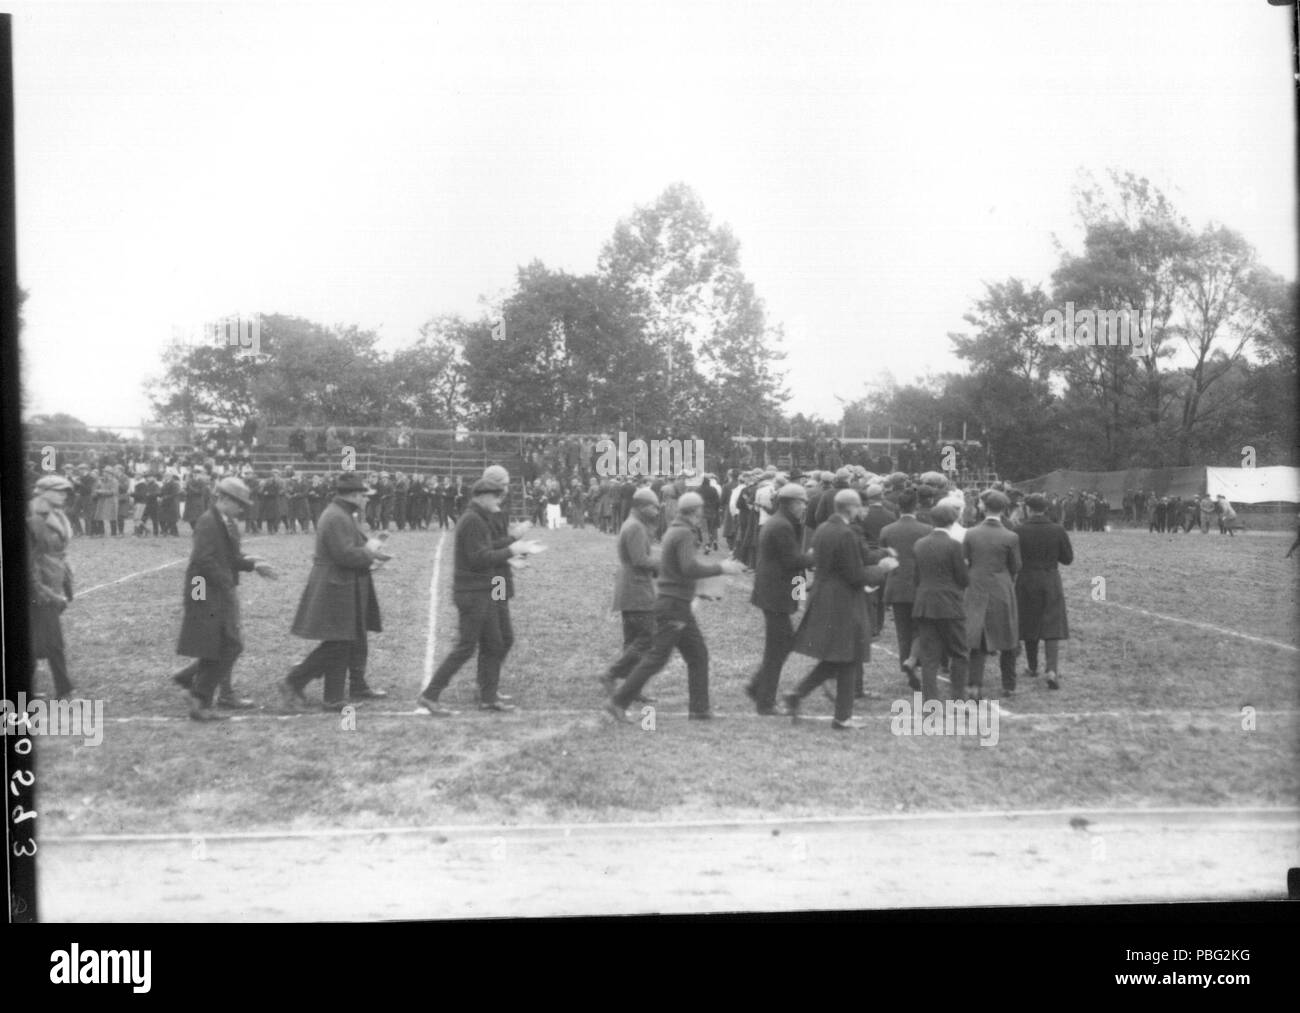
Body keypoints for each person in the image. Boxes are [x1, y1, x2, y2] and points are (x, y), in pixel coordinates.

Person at [605, 492, 743, 721]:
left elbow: (677, 569)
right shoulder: (683, 533)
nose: (702, 515)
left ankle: (699, 709)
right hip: (674, 606)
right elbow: (688, 568)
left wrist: (700, 589)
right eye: (700, 510)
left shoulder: (674, 530)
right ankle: (618, 701)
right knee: (657, 658)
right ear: (695, 511)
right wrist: (721, 568)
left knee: (697, 655)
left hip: (674, 603)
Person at [417, 477, 543, 716]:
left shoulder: (478, 518)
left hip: (482, 591)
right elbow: (479, 558)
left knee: (495, 643)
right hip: (474, 593)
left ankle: (487, 698)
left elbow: (487, 551)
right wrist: (512, 549)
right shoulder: (473, 520)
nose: (500, 500)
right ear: (483, 496)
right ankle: (430, 694)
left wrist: (512, 549)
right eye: (497, 495)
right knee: (466, 647)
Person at [782, 488, 898, 730]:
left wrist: (882, 553)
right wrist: (883, 568)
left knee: (837, 657)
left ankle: (797, 694)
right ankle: (842, 717)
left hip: (823, 596)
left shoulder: (825, 528)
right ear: (851, 508)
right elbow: (855, 575)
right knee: (848, 656)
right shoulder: (846, 533)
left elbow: (858, 555)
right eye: (859, 507)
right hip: (842, 600)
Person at [280, 472, 391, 711]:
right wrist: (371, 552)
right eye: (364, 495)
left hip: (343, 583)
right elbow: (345, 554)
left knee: (343, 640)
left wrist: (372, 552)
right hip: (336, 585)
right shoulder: (337, 516)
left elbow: (350, 550)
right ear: (353, 495)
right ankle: (294, 680)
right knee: (339, 643)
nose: (367, 499)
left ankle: (333, 697)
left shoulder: (342, 514)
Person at [171, 478, 278, 720]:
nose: (242, 509)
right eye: (239, 503)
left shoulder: (224, 521)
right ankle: (199, 694)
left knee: (220, 643)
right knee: (225, 643)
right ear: (225, 499)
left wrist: (252, 564)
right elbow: (204, 560)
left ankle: (196, 690)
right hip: (203, 589)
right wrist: (224, 584)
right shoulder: (209, 522)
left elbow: (229, 558)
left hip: (213, 588)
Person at [744, 482, 814, 715]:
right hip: (775, 594)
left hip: (772, 593)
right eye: (802, 503)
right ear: (792, 503)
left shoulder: (780, 522)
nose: (804, 507)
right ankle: (764, 701)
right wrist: (813, 556)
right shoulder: (783, 525)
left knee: (782, 644)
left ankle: (757, 687)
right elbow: (792, 561)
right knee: (778, 648)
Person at [598, 487, 662, 702]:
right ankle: (612, 674)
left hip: (631, 588)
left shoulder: (634, 523)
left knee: (633, 640)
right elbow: (639, 560)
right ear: (643, 507)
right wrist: (664, 564)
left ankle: (631, 687)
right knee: (648, 638)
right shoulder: (635, 527)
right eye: (654, 506)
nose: (657, 510)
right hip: (636, 590)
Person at [963, 490, 1021, 699]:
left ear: (984, 507)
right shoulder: (1011, 536)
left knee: (978, 637)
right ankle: (1009, 684)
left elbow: (965, 560)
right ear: (1004, 509)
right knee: (1008, 635)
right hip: (1001, 587)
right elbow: (1016, 566)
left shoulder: (971, 533)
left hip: (977, 585)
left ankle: (974, 685)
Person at [911, 501, 970, 701]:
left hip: (925, 603)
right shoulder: (954, 546)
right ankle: (958, 698)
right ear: (952, 521)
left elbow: (916, 577)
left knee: (929, 658)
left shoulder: (919, 544)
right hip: (949, 604)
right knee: (960, 653)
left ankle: (930, 702)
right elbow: (963, 579)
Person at [1015, 492, 1073, 690]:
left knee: (1030, 623)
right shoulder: (1057, 529)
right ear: (1046, 509)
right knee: (1052, 625)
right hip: (1050, 579)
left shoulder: (1019, 530)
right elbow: (1067, 559)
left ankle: (1032, 667)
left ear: (1028, 509)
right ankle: (1052, 669)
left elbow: (1014, 560)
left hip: (1026, 579)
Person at [28, 475, 77, 699]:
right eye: (58, 491)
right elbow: (28, 561)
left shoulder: (57, 514)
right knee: (51, 640)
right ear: (43, 492)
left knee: (40, 637)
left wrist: (66, 579)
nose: (63, 495)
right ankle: (64, 689)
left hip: (53, 580)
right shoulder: (31, 518)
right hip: (38, 585)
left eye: (65, 491)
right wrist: (43, 590)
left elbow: (59, 552)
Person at [879, 486, 932, 690]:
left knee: (902, 630)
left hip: (897, 584)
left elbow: (884, 558)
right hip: (920, 585)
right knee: (921, 628)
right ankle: (914, 660)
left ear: (898, 507)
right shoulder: (926, 529)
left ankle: (907, 664)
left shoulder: (887, 530)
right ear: (916, 505)